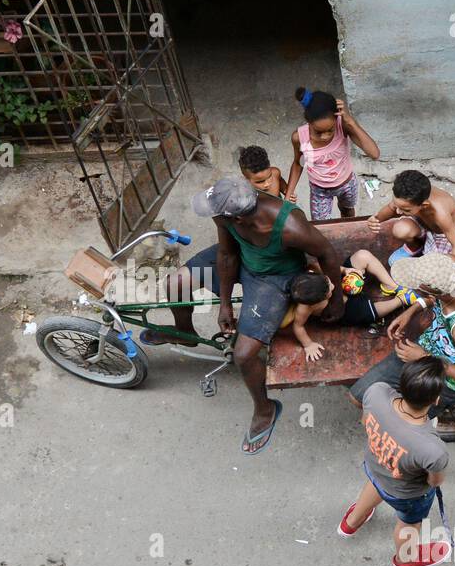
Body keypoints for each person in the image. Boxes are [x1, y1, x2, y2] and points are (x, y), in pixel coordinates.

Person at [144, 177, 344, 453]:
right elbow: (227, 255)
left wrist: (337, 300)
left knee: (244, 354)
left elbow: (328, 255)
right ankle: (186, 333)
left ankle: (265, 409)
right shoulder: (225, 217)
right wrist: (224, 304)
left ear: (237, 216)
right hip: (241, 260)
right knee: (175, 285)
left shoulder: (290, 225)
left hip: (274, 279)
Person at [339, 357, 452, 566]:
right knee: (409, 524)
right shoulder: (433, 449)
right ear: (436, 399)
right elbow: (435, 481)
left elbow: (365, 422)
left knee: (378, 485)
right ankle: (405, 558)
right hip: (406, 493)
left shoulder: (376, 391)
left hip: (374, 466)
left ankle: (351, 522)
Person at [350, 253, 455, 416]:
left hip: (447, 374)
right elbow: (437, 297)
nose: (413, 289)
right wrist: (413, 309)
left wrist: (424, 356)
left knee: (407, 418)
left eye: (416, 287)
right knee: (358, 397)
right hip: (426, 349)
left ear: (431, 290)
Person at [284, 250, 422, 362]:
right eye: (329, 291)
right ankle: (400, 300)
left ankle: (391, 285)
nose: (332, 286)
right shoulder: (305, 308)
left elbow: (332, 270)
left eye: (328, 281)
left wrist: (345, 271)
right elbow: (298, 326)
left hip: (346, 282)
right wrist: (308, 344)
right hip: (345, 308)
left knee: (363, 256)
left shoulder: (313, 271)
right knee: (368, 313)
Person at [285, 87, 380, 221]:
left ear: (336, 120)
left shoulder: (343, 126)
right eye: (318, 132)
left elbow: (374, 153)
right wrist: (288, 195)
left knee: (347, 213)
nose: (325, 136)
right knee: (321, 224)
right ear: (309, 122)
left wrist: (350, 121)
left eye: (330, 130)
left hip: (347, 183)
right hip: (319, 191)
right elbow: (297, 164)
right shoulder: (299, 137)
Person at [368, 169, 455, 262]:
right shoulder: (408, 199)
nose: (398, 211)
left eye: (405, 209)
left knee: (434, 265)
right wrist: (376, 219)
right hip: (422, 222)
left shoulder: (440, 214)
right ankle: (415, 247)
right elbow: (391, 208)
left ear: (424, 205)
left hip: (442, 234)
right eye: (396, 204)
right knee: (400, 229)